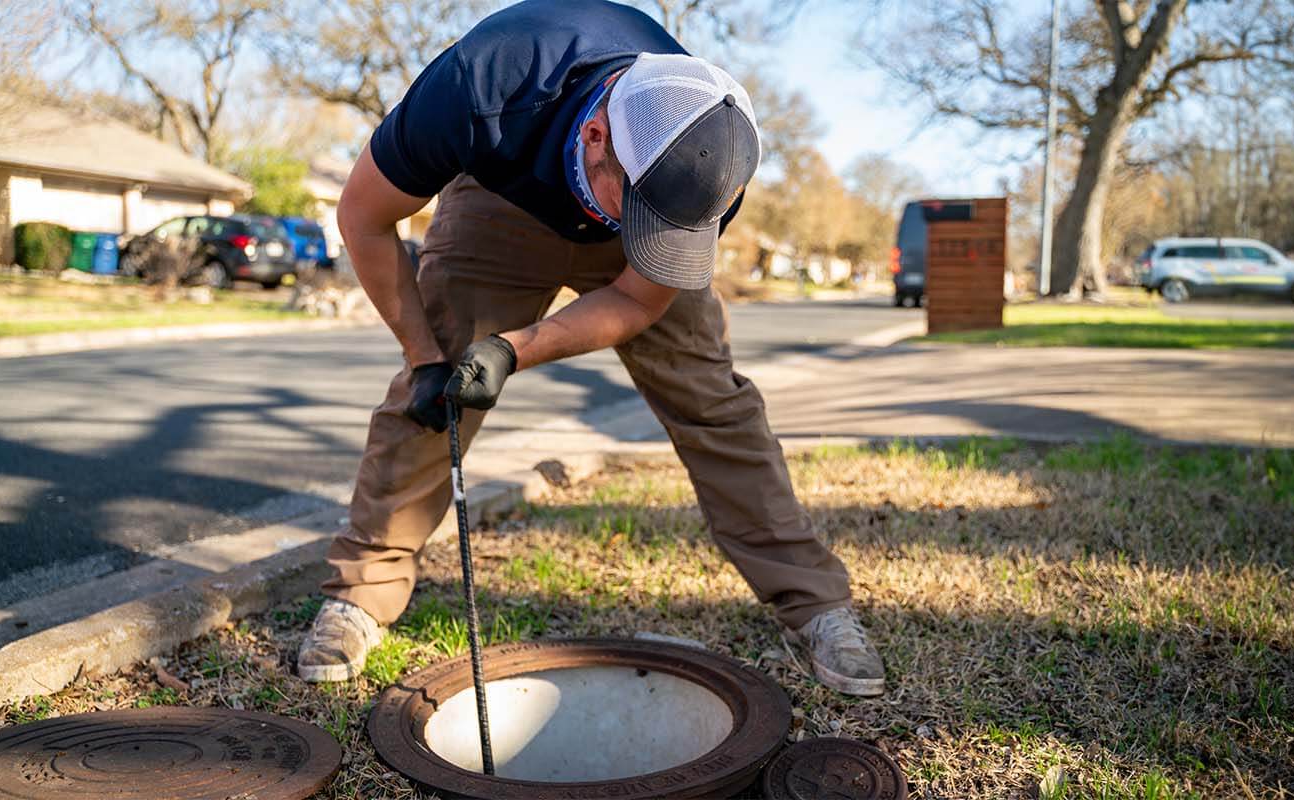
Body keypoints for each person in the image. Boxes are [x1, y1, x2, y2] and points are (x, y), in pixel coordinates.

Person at [297, 0, 886, 697]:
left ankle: (816, 604)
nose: (651, 231)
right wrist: (425, 355)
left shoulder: (709, 150)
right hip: (503, 200)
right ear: (597, 132)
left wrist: (517, 348)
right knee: (436, 399)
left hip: (639, 198)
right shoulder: (484, 86)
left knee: (713, 402)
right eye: (643, 213)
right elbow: (362, 218)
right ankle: (362, 591)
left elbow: (638, 299)